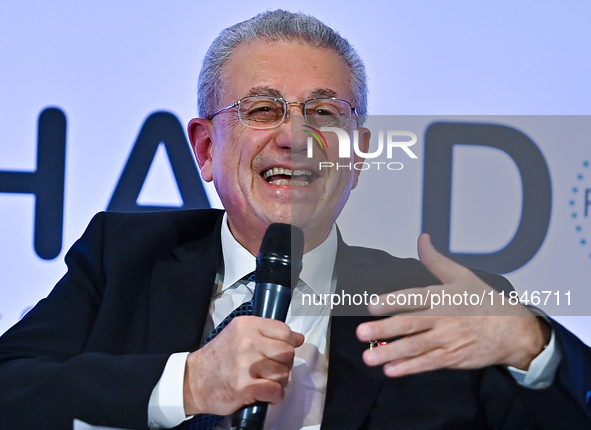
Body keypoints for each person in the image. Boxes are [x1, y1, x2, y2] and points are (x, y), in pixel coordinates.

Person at [0, 9, 590, 430]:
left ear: (357, 155)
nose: (296, 137)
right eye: (262, 109)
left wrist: (535, 351)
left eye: (325, 113)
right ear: (205, 149)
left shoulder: (438, 306)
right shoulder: (123, 257)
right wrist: (189, 383)